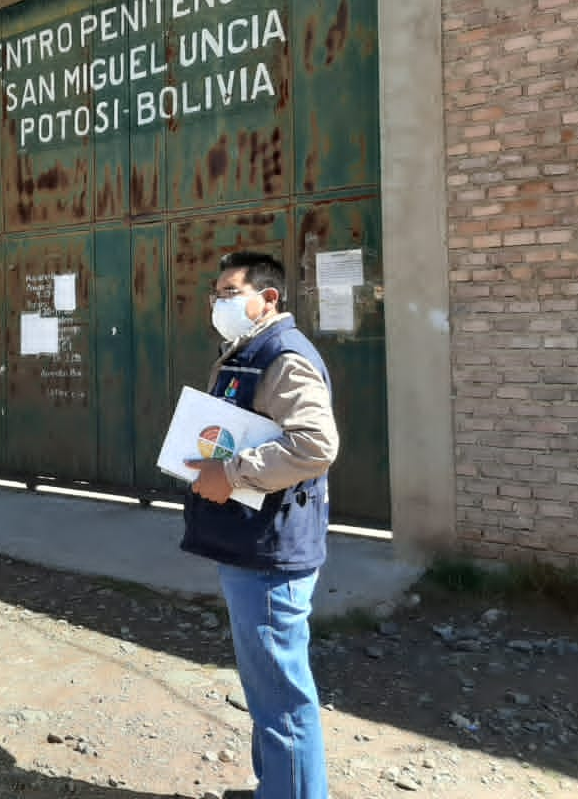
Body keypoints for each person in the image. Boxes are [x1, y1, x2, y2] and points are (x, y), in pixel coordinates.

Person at [181, 252, 338, 799]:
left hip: (274, 548)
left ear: (267, 298)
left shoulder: (284, 357)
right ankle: (278, 784)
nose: (217, 304)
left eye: (228, 292)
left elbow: (316, 445)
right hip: (251, 540)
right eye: (215, 294)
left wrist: (232, 472)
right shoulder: (248, 350)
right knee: (265, 687)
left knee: (281, 697)